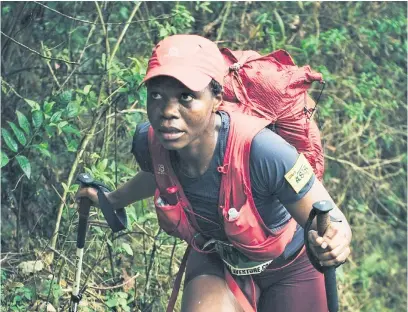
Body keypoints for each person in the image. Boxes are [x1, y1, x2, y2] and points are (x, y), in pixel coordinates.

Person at [77, 34, 352, 312]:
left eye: (186, 97)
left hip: (290, 267)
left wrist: (336, 240)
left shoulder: (263, 151)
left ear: (216, 98)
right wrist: (111, 201)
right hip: (218, 260)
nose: (167, 111)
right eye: (156, 95)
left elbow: (331, 220)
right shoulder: (153, 143)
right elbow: (158, 175)